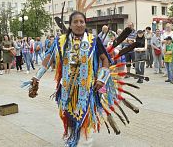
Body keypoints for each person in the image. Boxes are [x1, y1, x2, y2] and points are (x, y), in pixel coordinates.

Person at [24, 11, 115, 147]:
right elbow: (49, 59)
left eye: (81, 22)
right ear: (70, 25)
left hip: (87, 89)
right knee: (69, 117)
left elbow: (105, 59)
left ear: (85, 24)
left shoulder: (93, 41)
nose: (79, 24)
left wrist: (101, 79)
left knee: (86, 119)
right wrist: (37, 76)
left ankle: (86, 143)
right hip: (67, 89)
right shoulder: (60, 41)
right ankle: (72, 140)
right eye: (75, 22)